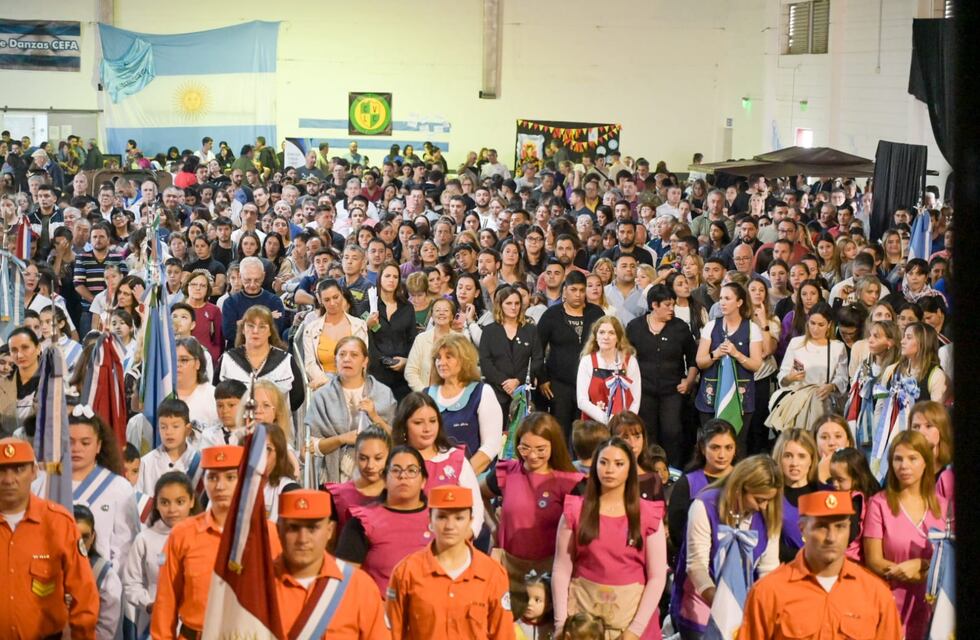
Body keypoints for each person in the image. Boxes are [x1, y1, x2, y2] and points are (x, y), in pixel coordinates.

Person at [151, 445, 281, 639]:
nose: (220, 486)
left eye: (230, 477)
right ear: (204, 481)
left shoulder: (267, 534)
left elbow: (280, 599)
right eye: (212, 477)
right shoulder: (183, 534)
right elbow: (165, 601)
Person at [739, 490, 902, 639]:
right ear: (802, 529)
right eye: (821, 527)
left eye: (840, 527)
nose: (832, 537)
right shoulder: (768, 592)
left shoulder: (877, 593)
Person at [552, 438, 668, 638]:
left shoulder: (648, 514)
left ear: (630, 468)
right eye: (603, 462)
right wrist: (561, 623)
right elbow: (561, 569)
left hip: (633, 621)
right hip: (583, 621)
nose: (609, 470)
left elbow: (657, 576)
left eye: (618, 464)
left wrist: (635, 629)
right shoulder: (575, 510)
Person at [669, 454, 782, 640]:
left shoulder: (769, 514)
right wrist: (725, 605)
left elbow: (768, 570)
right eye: (759, 499)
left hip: (745, 608)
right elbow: (697, 567)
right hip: (701, 604)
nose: (764, 506)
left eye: (769, 500)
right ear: (739, 489)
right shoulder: (704, 505)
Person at [481, 413, 583, 618]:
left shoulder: (571, 482)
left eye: (540, 449)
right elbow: (478, 494)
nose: (533, 456)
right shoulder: (506, 472)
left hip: (550, 573)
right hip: (509, 570)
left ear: (554, 446)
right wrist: (493, 526)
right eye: (525, 448)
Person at [387, 484, 516, 639]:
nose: (450, 526)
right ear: (430, 520)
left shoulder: (493, 574)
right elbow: (392, 632)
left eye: (459, 518)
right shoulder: (406, 572)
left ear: (470, 520)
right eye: (442, 517)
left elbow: (503, 634)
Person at [0, 437, 99, 639]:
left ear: (34, 472)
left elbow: (84, 592)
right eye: (1, 470)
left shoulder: (59, 523)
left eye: (19, 469)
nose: (9, 479)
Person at [863, 430, 948, 640]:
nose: (904, 466)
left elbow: (948, 560)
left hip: (934, 608)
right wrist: (905, 571)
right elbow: (873, 559)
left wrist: (923, 569)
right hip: (889, 604)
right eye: (898, 459)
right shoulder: (879, 503)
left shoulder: (945, 507)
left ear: (925, 462)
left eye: (912, 458)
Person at [273, 489, 389, 638]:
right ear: (278, 530)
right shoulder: (257, 588)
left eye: (312, 528)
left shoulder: (359, 587)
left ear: (329, 531)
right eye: (293, 528)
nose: (303, 539)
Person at [334, 445, 433, 597]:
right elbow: (344, 584)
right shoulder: (361, 522)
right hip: (377, 613)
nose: (403, 476)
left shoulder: (440, 520)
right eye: (396, 470)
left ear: (423, 481)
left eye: (412, 470)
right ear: (385, 480)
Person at [392, 392, 485, 538]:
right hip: (405, 544)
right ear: (404, 425)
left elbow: (476, 507)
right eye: (418, 423)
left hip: (452, 548)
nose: (427, 429)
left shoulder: (456, 459)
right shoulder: (393, 462)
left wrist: (466, 535)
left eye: (433, 421)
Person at [306, 336, 396, 484]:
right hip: (332, 479)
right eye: (342, 354)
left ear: (365, 361)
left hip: (378, 479)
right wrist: (341, 439)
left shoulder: (384, 394)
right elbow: (309, 448)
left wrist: (375, 417)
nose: (347, 359)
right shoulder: (321, 397)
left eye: (354, 355)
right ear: (335, 359)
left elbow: (395, 439)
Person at [626, 285, 698, 466]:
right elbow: (625, 357)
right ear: (654, 305)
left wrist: (689, 381)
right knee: (647, 431)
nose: (671, 309)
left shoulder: (680, 327)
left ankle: (672, 469)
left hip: (672, 389)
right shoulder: (634, 327)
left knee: (672, 430)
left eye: (673, 304)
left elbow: (693, 358)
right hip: (644, 389)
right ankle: (648, 469)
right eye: (667, 305)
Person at [122, 471, 199, 640]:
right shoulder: (145, 539)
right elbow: (131, 583)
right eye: (165, 502)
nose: (172, 510)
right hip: (153, 624)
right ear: (156, 503)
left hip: (196, 626)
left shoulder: (204, 538)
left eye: (180, 502)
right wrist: (149, 605)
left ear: (192, 501)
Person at [694, 282, 763, 449]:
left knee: (737, 444)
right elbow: (700, 361)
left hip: (740, 397)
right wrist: (715, 354)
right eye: (720, 298)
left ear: (739, 302)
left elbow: (756, 365)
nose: (722, 303)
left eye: (727, 298)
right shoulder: (711, 326)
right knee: (710, 442)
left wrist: (737, 354)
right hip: (711, 394)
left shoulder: (752, 328)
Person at [538, 271, 605, 438]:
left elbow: (604, 346)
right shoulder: (551, 315)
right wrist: (543, 378)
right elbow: (537, 348)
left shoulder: (596, 313)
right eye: (574, 290)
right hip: (559, 383)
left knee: (586, 431)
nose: (578, 295)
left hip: (590, 381)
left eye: (582, 290)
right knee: (560, 430)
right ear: (565, 290)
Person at [427, 332, 503, 475]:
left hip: (475, 479)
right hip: (434, 479)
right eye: (438, 358)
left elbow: (491, 446)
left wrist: (460, 477)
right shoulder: (426, 396)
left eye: (448, 357)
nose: (441, 362)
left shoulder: (482, 393)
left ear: (463, 360)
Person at [666, 419, 738, 553]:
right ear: (703, 448)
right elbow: (677, 532)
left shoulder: (744, 480)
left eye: (728, 447)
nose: (722, 455)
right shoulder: (688, 483)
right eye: (715, 447)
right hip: (696, 557)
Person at [216, 304, 305, 412]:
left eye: (262, 326)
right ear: (243, 330)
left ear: (270, 331)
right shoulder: (227, 360)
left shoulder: (286, 361)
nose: (255, 331)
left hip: (276, 426)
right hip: (238, 427)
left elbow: (297, 399)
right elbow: (216, 394)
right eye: (250, 326)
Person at [479, 285, 544, 417]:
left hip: (524, 393)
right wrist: (505, 383)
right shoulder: (489, 331)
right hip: (497, 393)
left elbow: (537, 360)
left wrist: (517, 381)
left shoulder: (531, 330)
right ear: (500, 305)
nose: (513, 307)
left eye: (517, 303)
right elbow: (485, 362)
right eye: (508, 303)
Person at [302, 279, 370, 390]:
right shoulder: (311, 329)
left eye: (335, 297)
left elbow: (362, 361)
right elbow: (310, 364)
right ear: (320, 301)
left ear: (342, 295)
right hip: (322, 388)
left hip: (352, 387)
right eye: (327, 300)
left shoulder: (359, 326)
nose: (332, 303)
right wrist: (328, 383)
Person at [323, 426, 393, 533]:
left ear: (389, 457)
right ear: (355, 456)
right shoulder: (335, 495)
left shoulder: (399, 494)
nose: (370, 465)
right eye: (363, 458)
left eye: (378, 458)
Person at [575, 315, 642, 425]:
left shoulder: (630, 361)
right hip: (593, 425)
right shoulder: (587, 361)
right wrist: (608, 420)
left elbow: (635, 399)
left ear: (618, 337)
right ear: (596, 336)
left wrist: (623, 422)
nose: (606, 337)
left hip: (622, 424)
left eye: (611, 333)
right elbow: (582, 400)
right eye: (601, 332)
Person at [367, 261, 418, 401]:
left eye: (395, 277)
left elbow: (412, 339)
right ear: (379, 278)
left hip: (402, 372)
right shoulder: (368, 305)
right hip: (376, 373)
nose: (391, 280)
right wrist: (367, 326)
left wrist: (407, 361)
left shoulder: (407, 307)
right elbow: (360, 338)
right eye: (387, 276)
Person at [772, 429, 821, 563]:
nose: (794, 463)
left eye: (801, 456)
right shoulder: (771, 496)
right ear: (779, 458)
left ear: (811, 459)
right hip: (784, 570)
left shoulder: (825, 493)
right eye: (787, 456)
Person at [135, 398, 199, 495]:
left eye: (175, 426)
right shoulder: (146, 463)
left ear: (188, 429)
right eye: (163, 427)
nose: (168, 432)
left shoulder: (198, 462)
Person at [405, 297, 458, 392]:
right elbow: (410, 371)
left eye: (446, 310)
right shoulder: (421, 339)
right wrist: (424, 392)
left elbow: (466, 372)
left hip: (453, 395)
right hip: (424, 395)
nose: (441, 313)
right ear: (432, 316)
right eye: (437, 310)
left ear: (452, 316)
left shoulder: (460, 340)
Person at [909, 400, 953, 506]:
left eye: (928, 426)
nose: (921, 432)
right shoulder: (904, 470)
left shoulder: (951, 474)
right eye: (916, 427)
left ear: (941, 429)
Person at [174, 337, 220, 427]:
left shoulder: (213, 396)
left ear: (197, 364)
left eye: (184, 360)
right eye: (173, 360)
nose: (177, 365)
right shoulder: (162, 393)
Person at [182, 269, 224, 362]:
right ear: (187, 286)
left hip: (207, 360)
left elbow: (219, 340)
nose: (198, 288)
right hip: (182, 357)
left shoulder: (214, 310)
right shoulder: (178, 308)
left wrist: (213, 356)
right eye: (194, 284)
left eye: (202, 285)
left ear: (207, 289)